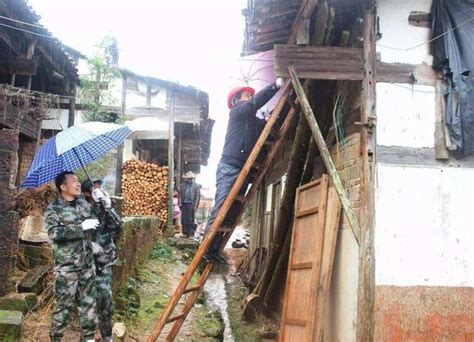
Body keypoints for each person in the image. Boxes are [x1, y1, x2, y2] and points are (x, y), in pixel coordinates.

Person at [204, 79, 284, 262]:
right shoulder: (237, 112)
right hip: (229, 167)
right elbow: (254, 104)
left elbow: (265, 129)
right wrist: (275, 86)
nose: (250, 98)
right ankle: (205, 250)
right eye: (247, 96)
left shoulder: (251, 119)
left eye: (250, 96)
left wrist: (267, 118)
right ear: (236, 100)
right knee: (221, 209)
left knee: (232, 213)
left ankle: (214, 250)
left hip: (243, 170)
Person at [45, 171, 98, 342]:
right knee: (63, 307)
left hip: (87, 264)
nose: (78, 183)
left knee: (89, 304)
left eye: (78, 180)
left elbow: (98, 224)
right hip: (67, 268)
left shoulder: (84, 204)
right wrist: (79, 228)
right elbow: (53, 233)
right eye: (73, 181)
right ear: (62, 187)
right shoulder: (54, 209)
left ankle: (88, 338)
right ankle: (56, 338)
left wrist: (101, 203)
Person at [81, 179, 122, 342]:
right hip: (85, 264)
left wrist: (109, 207)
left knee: (105, 299)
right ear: (86, 193)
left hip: (104, 261)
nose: (98, 189)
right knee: (87, 302)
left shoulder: (103, 207)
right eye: (94, 187)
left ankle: (107, 336)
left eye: (99, 186)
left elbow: (118, 227)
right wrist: (88, 244)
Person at [179, 171, 201, 238]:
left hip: (191, 204)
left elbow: (197, 197)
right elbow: (180, 195)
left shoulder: (196, 186)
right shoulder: (182, 185)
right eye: (188, 178)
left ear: (192, 178)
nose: (189, 179)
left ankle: (191, 233)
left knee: (190, 219)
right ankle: (185, 233)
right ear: (186, 179)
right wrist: (180, 202)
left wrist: (195, 206)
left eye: (190, 178)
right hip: (184, 204)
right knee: (184, 219)